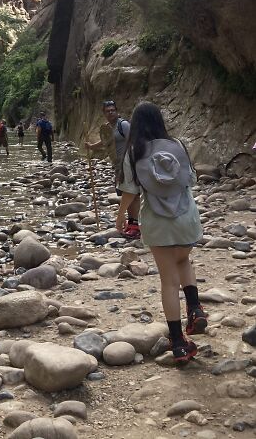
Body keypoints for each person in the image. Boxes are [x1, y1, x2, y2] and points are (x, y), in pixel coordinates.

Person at [116, 101, 207, 363]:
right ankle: (195, 308)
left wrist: (122, 215)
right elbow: (190, 179)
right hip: (185, 218)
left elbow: (131, 191)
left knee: (168, 281)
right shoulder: (177, 145)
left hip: (157, 222)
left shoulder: (134, 152)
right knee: (183, 260)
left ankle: (178, 343)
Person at [86, 100, 141, 240]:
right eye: (107, 111)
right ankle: (131, 223)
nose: (110, 112)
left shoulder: (123, 125)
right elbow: (107, 142)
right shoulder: (109, 128)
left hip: (129, 164)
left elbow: (134, 141)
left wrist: (135, 163)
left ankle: (135, 226)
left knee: (132, 194)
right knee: (125, 194)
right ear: (104, 113)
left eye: (112, 110)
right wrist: (92, 146)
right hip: (118, 165)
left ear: (117, 111)